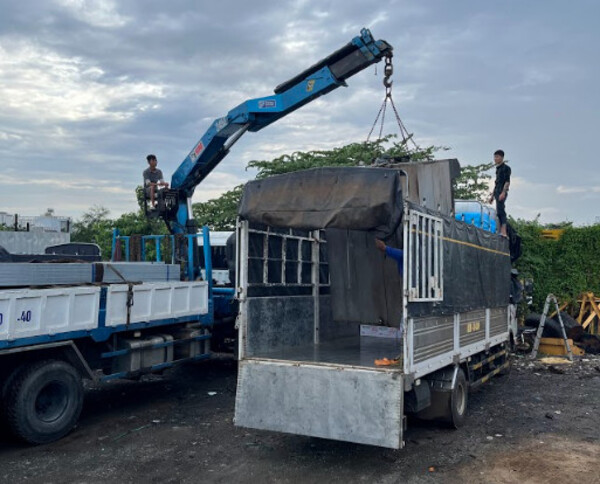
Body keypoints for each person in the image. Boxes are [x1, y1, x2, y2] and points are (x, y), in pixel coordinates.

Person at [488, 149, 511, 237]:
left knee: (501, 210)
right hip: (497, 192)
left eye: (497, 157)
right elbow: (496, 184)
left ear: (501, 157)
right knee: (498, 211)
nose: (495, 159)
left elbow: (507, 182)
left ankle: (504, 231)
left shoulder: (506, 168)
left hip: (502, 192)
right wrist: (492, 196)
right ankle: (501, 230)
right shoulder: (498, 169)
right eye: (494, 157)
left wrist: (503, 193)